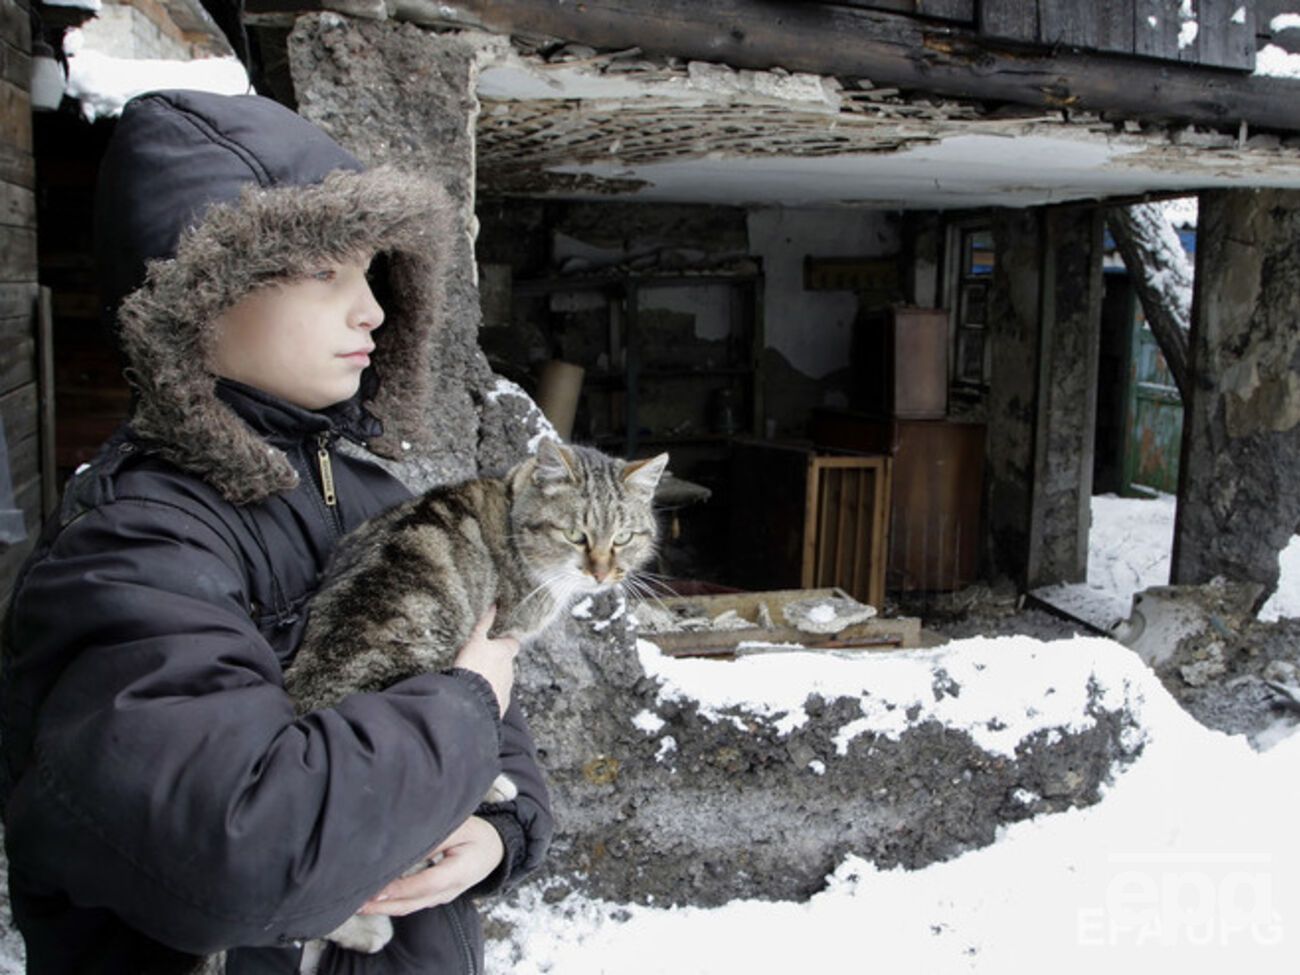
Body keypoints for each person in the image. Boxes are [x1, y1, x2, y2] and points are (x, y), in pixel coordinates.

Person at [0, 90, 552, 974]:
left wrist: (501, 823)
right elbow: (243, 849)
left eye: (371, 272)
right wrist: (464, 708)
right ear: (198, 291)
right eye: (324, 273)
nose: (371, 308)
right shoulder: (135, 547)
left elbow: (482, 690)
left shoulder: (369, 490)